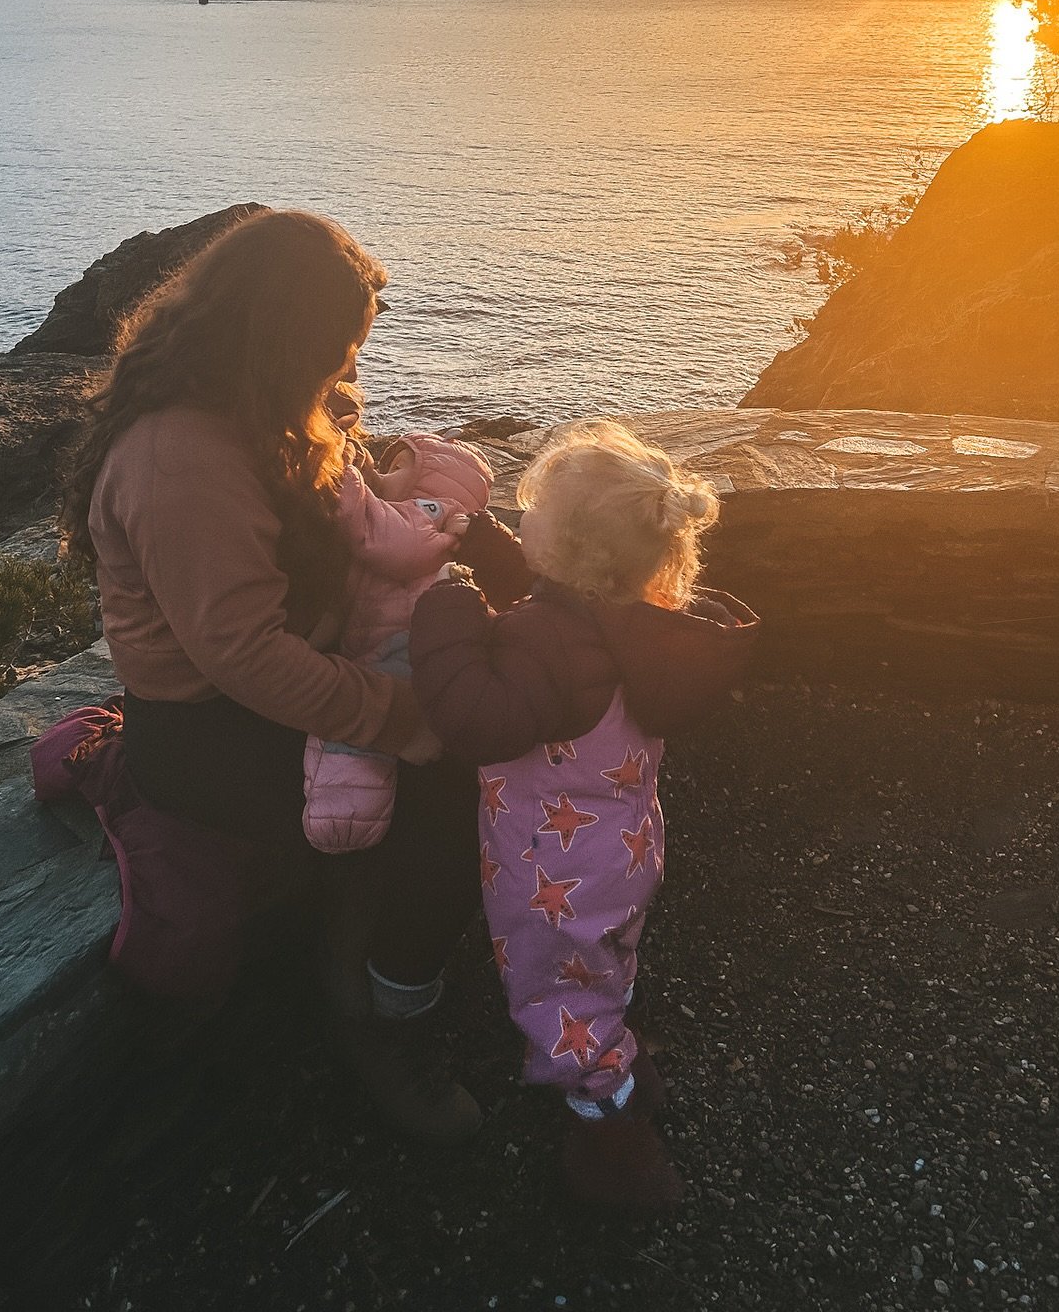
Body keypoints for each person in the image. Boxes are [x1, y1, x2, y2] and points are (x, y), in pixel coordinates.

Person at [60, 208, 530, 1144]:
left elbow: (352, 523)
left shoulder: (270, 407)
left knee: (484, 716)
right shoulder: (179, 458)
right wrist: (394, 716)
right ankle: (372, 1025)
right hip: (206, 726)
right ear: (278, 340)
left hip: (297, 674)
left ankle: (383, 967)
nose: (348, 374)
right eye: (338, 351)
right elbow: (240, 653)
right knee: (443, 784)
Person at [408, 420, 760, 1209]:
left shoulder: (541, 642)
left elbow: (476, 717)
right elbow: (554, 615)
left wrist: (447, 615)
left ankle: (617, 1146)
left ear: (567, 551)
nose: (521, 518)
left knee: (558, 1002)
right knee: (604, 964)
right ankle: (628, 1059)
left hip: (550, 879)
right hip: (621, 853)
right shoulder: (637, 623)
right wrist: (495, 550)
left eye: (531, 513)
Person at [303, 432, 494, 853]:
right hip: (385, 639)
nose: (383, 473)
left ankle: (343, 821)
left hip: (398, 643)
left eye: (398, 466)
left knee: (352, 734)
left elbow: (379, 534)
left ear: (429, 480)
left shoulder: (431, 512)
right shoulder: (420, 516)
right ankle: (343, 813)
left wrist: (345, 467)